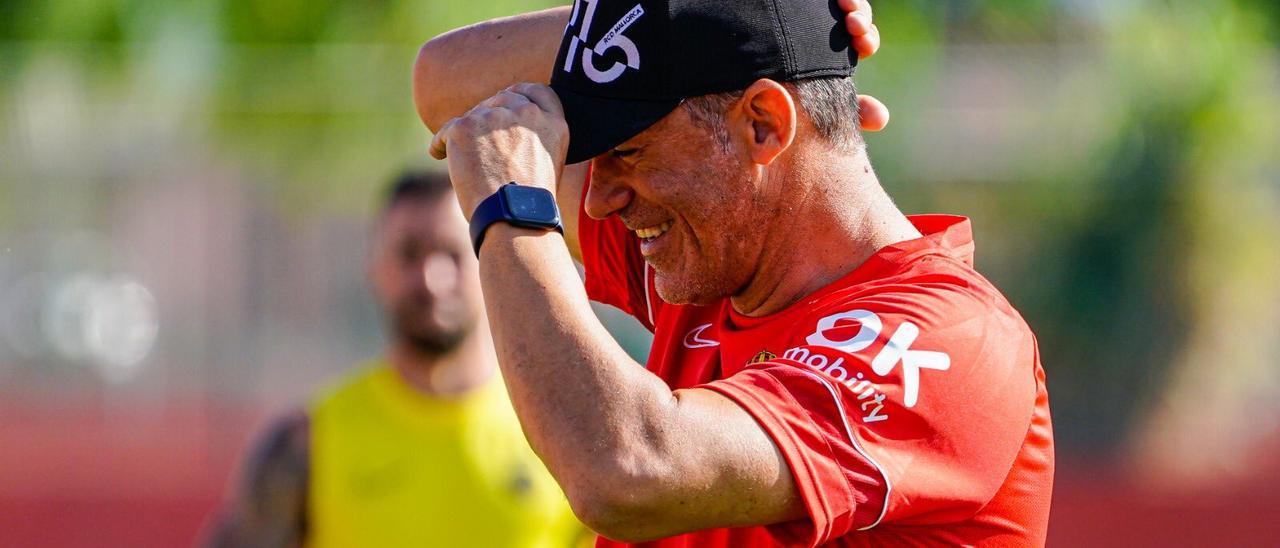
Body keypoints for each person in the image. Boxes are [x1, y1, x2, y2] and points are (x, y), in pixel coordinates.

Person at [415, 0, 1054, 546]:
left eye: (628, 151)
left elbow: (630, 469)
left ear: (764, 125)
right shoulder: (710, 254)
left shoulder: (948, 338)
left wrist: (516, 214)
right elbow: (445, 85)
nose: (597, 198)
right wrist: (691, 15)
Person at [207, 172, 588, 547]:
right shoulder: (307, 443)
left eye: (452, 253)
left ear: (488, 265)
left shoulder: (561, 436)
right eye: (409, 254)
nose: (432, 278)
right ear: (375, 269)